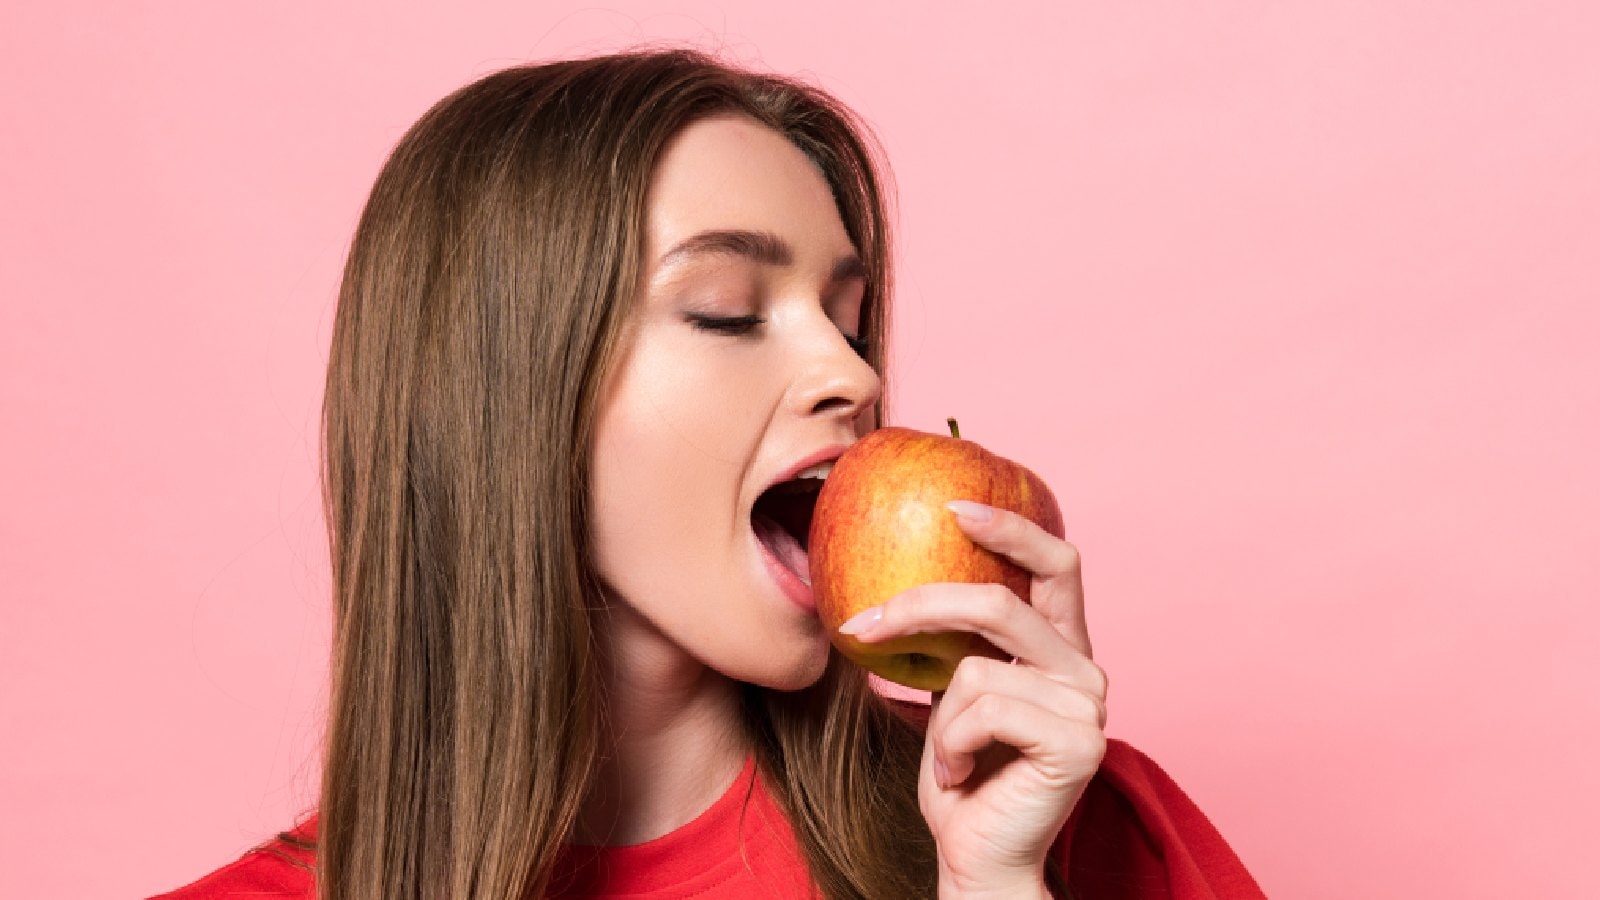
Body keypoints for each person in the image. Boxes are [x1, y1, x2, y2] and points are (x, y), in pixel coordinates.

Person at [152, 48, 1267, 900]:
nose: (850, 373)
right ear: (505, 395)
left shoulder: (1071, 825)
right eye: (729, 312)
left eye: (851, 318)